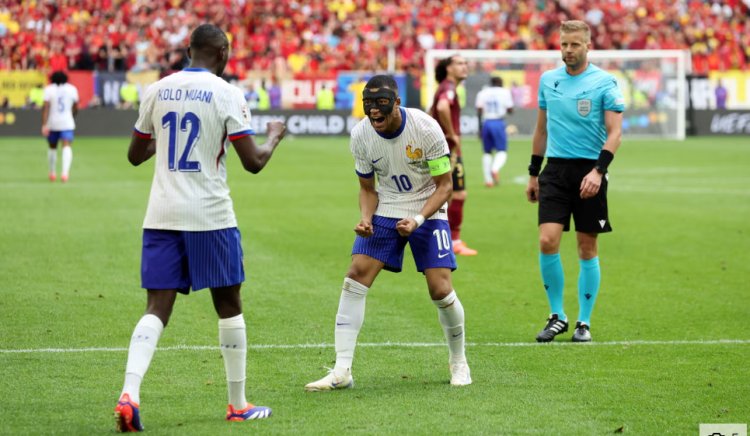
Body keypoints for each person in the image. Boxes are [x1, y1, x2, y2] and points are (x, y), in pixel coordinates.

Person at [114, 24, 286, 432]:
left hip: (161, 214)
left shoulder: (158, 89)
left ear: (188, 50)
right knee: (228, 303)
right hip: (210, 216)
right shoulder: (227, 93)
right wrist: (275, 137)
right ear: (224, 53)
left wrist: (166, 139)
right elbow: (254, 162)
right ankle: (238, 404)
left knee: (157, 307)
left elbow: (135, 154)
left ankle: (129, 394)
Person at [304, 74, 471, 391]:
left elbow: (445, 186)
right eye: (368, 105)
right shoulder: (362, 135)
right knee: (356, 274)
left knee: (439, 289)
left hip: (428, 207)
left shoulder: (426, 128)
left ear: (397, 102)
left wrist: (419, 220)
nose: (374, 112)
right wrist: (366, 218)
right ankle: (342, 371)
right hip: (388, 206)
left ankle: (459, 362)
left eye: (381, 104)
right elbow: (367, 189)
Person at [525, 20, 624, 343]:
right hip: (554, 171)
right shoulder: (548, 80)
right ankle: (557, 316)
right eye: (564, 44)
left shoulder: (604, 82)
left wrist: (598, 171)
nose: (568, 50)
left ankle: (584, 321)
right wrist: (533, 173)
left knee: (586, 246)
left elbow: (615, 134)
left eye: (575, 45)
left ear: (587, 46)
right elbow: (540, 130)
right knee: (546, 240)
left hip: (589, 171)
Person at [430, 55, 477, 256]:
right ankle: (454, 240)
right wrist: (452, 134)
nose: (464, 66)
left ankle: (437, 237)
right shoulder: (448, 88)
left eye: (465, 62)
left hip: (439, 150)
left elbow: (433, 111)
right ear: (448, 68)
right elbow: (441, 107)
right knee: (457, 194)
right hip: (446, 151)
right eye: (459, 63)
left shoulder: (445, 87)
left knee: (442, 194)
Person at [475, 76, 514, 187]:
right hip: (498, 122)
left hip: (486, 123)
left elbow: (479, 111)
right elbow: (510, 109)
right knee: (502, 151)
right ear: (501, 83)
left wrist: (480, 128)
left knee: (487, 152)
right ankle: (495, 169)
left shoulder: (483, 92)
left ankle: (488, 180)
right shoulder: (505, 92)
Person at [42, 71, 79, 183]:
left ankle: (52, 172)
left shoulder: (49, 89)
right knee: (66, 146)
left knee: (52, 147)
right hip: (67, 122)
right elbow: (76, 106)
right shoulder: (72, 89)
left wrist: (44, 124)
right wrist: (72, 115)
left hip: (53, 123)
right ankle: (65, 173)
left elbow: (45, 108)